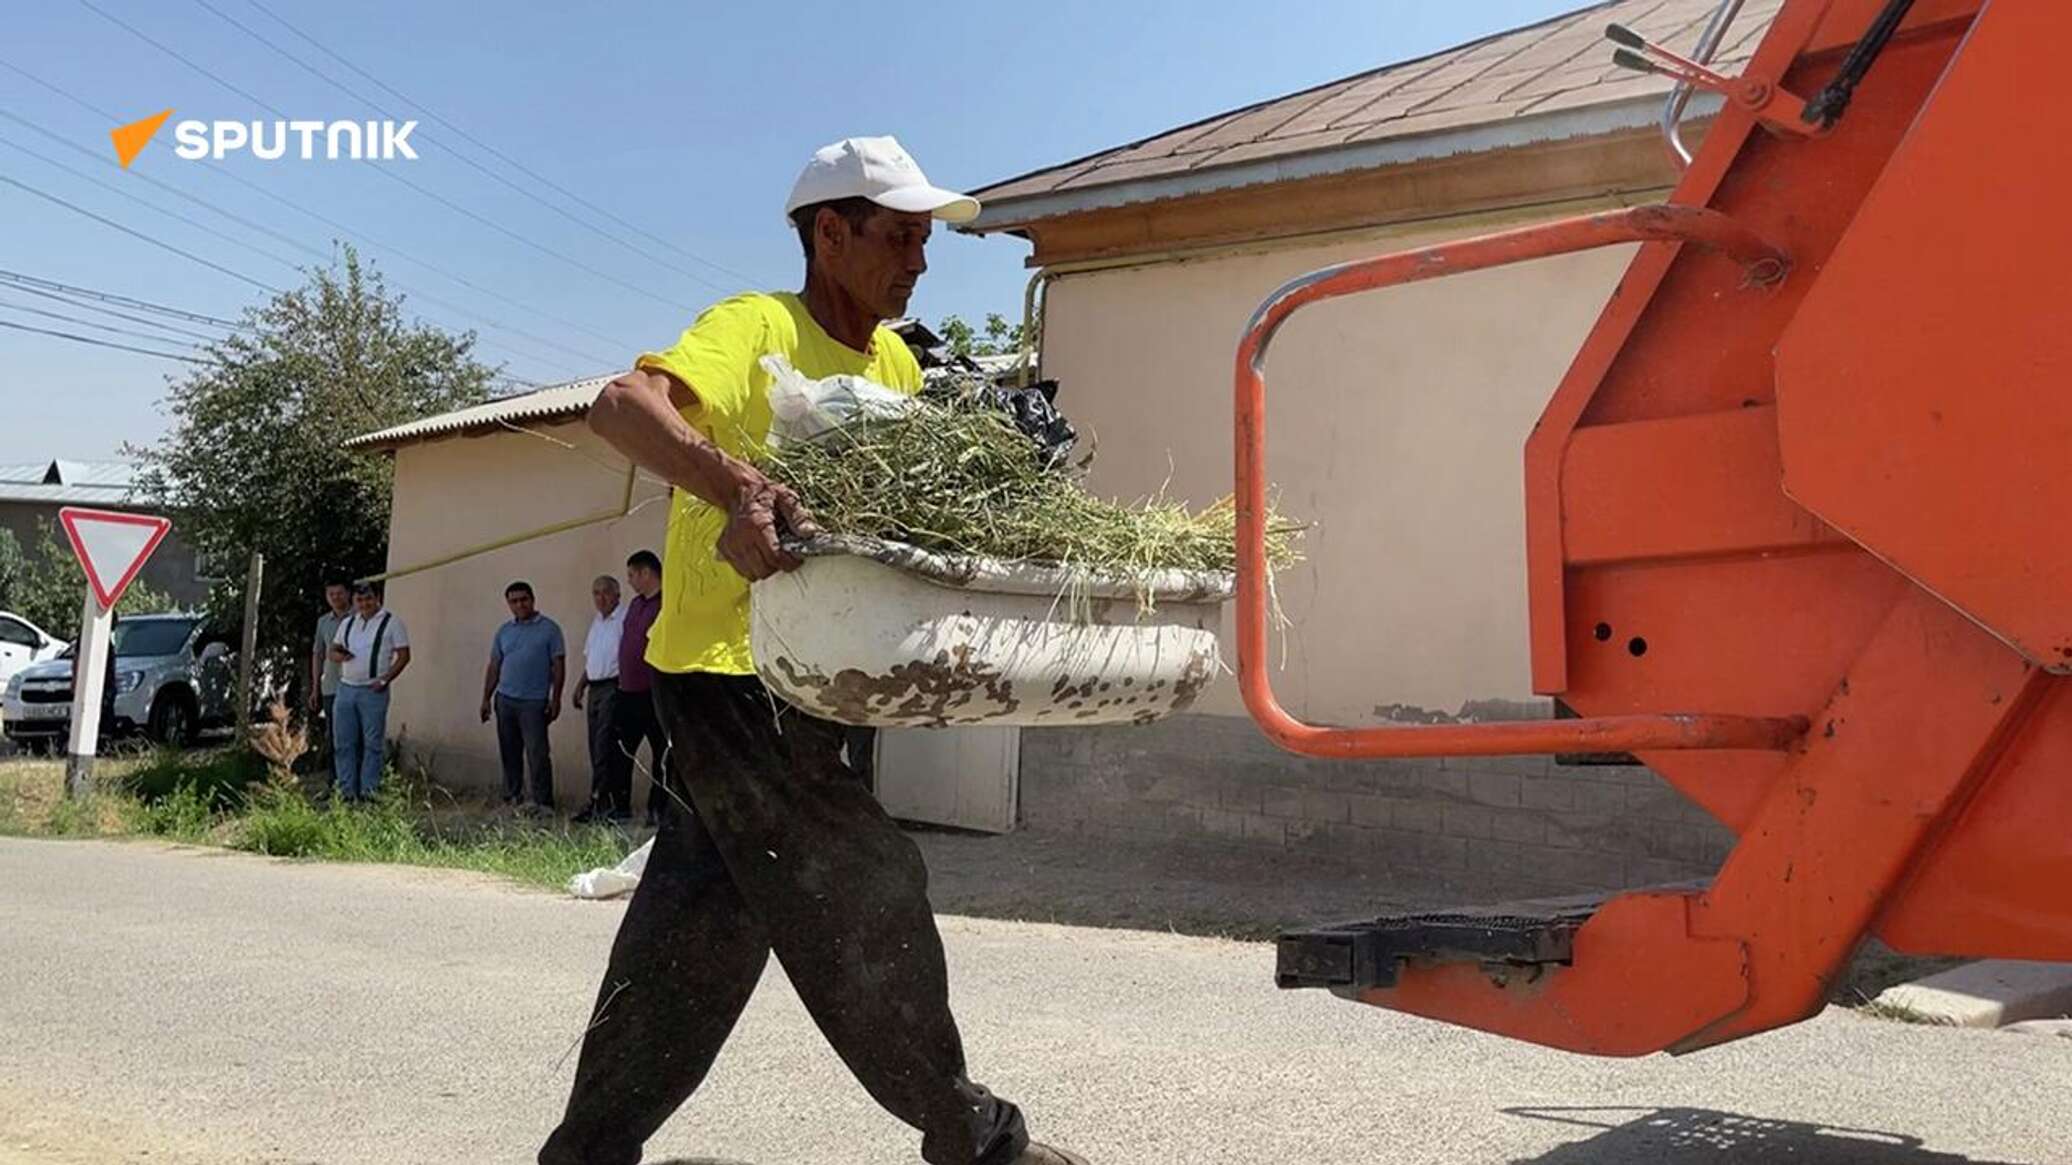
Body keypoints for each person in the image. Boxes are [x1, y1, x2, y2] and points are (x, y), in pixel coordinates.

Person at [539, 138, 1082, 1165]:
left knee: (696, 930)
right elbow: (621, 406)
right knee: (864, 883)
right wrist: (732, 485)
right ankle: (979, 1140)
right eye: (898, 237)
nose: (917, 262)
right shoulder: (756, 326)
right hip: (728, 679)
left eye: (925, 241)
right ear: (828, 233)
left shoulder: (894, 364)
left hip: (821, 686)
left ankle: (586, 1152)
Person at [479, 581, 565, 813]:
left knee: (537, 753)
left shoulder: (550, 629)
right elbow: (494, 665)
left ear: (533, 599)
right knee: (509, 751)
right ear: (508, 604)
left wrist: (556, 699)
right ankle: (512, 797)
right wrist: (486, 698)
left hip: (534, 702)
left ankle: (543, 803)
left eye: (523, 599)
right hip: (505, 700)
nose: (519, 604)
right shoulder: (504, 631)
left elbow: (558, 666)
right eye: (514, 601)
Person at [328, 582, 410, 802]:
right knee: (344, 743)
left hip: (373, 690)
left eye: (368, 599)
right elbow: (333, 651)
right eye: (360, 600)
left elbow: (404, 656)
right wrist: (340, 656)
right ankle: (347, 791)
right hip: (346, 687)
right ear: (354, 601)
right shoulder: (347, 623)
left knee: (372, 744)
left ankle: (369, 791)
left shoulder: (392, 623)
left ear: (378, 598)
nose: (364, 604)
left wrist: (385, 679)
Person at [612, 549, 670, 827]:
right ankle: (619, 808)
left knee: (662, 754)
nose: (630, 581)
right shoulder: (635, 605)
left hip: (654, 692)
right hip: (627, 691)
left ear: (647, 573)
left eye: (632, 575)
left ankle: (656, 811)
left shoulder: (668, 603)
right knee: (620, 751)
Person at [571, 574, 628, 823]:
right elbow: (591, 659)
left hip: (614, 688)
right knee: (595, 747)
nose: (600, 598)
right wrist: (580, 686)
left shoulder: (623, 619)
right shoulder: (597, 622)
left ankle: (604, 804)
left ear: (617, 595)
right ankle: (598, 801)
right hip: (594, 687)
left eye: (605, 592)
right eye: (596, 593)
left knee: (606, 746)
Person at [307, 579, 352, 772]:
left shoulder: (358, 618)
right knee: (334, 736)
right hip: (331, 686)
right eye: (331, 594)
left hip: (355, 684)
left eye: (339, 593)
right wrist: (315, 687)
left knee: (353, 735)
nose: (335, 598)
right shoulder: (323, 622)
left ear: (348, 594)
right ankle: (334, 784)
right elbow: (318, 653)